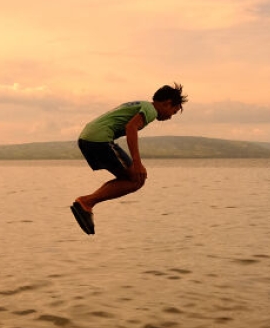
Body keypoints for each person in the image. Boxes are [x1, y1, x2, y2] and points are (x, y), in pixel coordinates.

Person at [70, 84, 188, 235]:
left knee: (131, 178)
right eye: (173, 111)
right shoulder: (151, 110)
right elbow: (131, 128)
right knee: (137, 178)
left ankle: (86, 204)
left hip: (87, 138)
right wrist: (137, 162)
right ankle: (86, 202)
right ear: (167, 103)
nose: (170, 116)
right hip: (99, 139)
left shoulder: (141, 104)